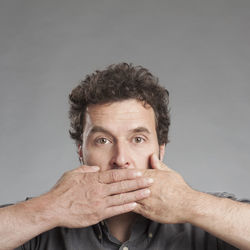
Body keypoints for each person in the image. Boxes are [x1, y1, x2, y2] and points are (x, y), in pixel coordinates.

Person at [0, 63, 250, 250]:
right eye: (103, 140)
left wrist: (190, 204)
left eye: (137, 139)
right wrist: (51, 209)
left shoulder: (205, 221)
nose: (121, 159)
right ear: (81, 151)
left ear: (161, 149)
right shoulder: (41, 223)